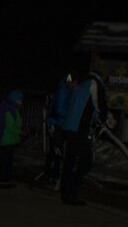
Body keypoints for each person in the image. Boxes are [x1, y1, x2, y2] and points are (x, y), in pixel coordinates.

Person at [59, 70, 114, 206]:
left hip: (70, 127)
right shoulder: (95, 84)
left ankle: (65, 190)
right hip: (80, 129)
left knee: (70, 160)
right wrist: (107, 118)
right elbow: (99, 104)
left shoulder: (82, 85)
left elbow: (86, 106)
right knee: (86, 161)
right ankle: (71, 191)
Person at [41, 71, 77, 188]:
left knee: (56, 150)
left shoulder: (67, 90)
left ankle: (51, 174)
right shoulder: (63, 91)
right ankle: (52, 174)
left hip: (60, 124)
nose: (75, 86)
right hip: (56, 124)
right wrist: (71, 116)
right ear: (71, 82)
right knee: (57, 150)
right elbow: (60, 110)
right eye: (74, 83)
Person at [0, 90, 24, 188]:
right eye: (19, 100)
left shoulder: (11, 109)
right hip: (7, 139)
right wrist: (21, 132)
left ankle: (0, 179)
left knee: (4, 160)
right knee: (6, 162)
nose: (21, 101)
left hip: (7, 139)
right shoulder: (9, 110)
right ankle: (4, 181)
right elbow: (11, 126)